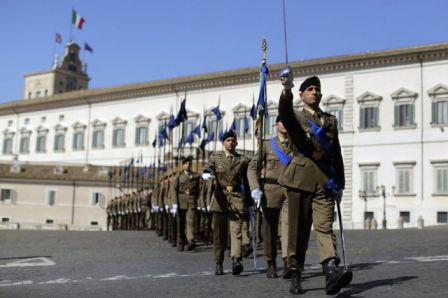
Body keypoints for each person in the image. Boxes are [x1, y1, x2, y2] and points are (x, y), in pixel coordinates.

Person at [278, 73, 352, 295]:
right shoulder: (295, 116)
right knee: (298, 230)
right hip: (300, 179)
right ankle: (296, 272)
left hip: (326, 181)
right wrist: (286, 91)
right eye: (309, 89)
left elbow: (336, 153)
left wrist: (340, 182)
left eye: (317, 89)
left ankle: (330, 271)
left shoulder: (330, 120)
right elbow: (284, 114)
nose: (314, 92)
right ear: (301, 95)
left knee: (324, 226)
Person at [203, 130, 252, 275]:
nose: (231, 142)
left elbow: (247, 180)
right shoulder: (216, 157)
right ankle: (219, 262)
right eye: (228, 140)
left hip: (236, 197)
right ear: (223, 143)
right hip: (220, 198)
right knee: (219, 234)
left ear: (236, 143)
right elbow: (208, 168)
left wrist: (249, 199)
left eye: (233, 140)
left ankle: (236, 260)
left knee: (236, 231)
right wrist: (206, 173)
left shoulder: (242, 160)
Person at [247, 116, 290, 278]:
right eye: (282, 121)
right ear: (276, 124)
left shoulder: (295, 144)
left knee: (289, 227)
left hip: (290, 190)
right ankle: (271, 262)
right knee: (270, 228)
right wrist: (255, 188)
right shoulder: (267, 144)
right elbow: (252, 167)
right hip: (270, 190)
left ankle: (288, 261)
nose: (285, 125)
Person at [172, 156, 201, 251]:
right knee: (180, 223)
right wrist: (174, 203)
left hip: (191, 201)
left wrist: (196, 199)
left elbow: (198, 189)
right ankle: (180, 241)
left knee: (190, 222)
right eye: (186, 164)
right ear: (183, 165)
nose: (188, 165)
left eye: (189, 164)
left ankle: (190, 240)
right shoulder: (179, 175)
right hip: (180, 201)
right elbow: (174, 189)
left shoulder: (195, 175)